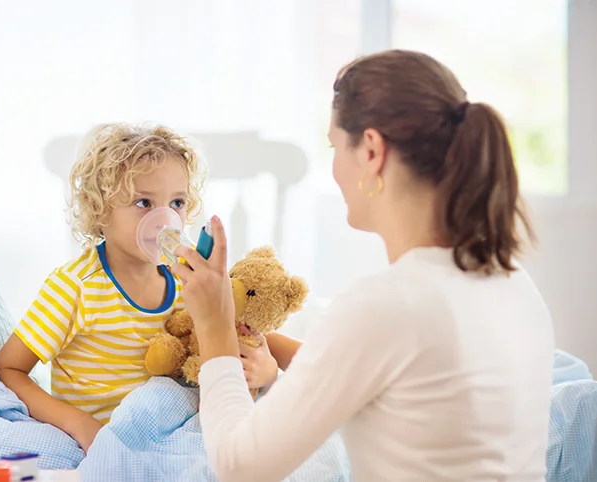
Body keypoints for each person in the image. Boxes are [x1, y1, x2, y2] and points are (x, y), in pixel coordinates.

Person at [170, 50, 556, 481]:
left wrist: (215, 326)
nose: (333, 168)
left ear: (371, 150)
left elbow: (238, 468)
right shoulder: (511, 282)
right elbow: (359, 370)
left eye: (335, 146)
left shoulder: (387, 304)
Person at [0, 123, 280, 453]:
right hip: (110, 441)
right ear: (97, 208)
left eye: (176, 203)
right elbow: (8, 369)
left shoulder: (185, 280)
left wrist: (267, 371)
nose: (164, 219)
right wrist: (78, 424)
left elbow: (228, 339)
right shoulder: (75, 287)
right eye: (144, 203)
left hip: (173, 435)